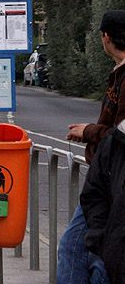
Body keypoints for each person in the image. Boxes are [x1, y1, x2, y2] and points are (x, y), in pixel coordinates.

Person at [57, 10, 125, 284]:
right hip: (111, 180)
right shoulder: (119, 73)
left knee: (74, 248)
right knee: (100, 258)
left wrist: (90, 131)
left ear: (106, 37)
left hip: (112, 181)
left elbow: (120, 133)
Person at [81, 119, 125, 284]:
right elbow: (95, 193)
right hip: (114, 260)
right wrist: (103, 244)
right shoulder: (116, 140)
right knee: (70, 248)